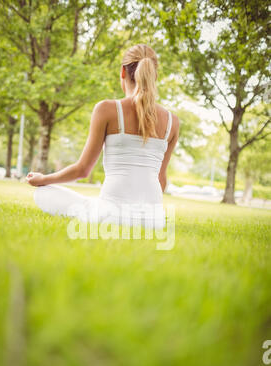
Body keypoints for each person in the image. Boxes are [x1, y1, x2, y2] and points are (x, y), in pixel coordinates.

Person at [26, 43, 180, 229]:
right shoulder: (173, 122)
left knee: (43, 193)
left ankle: (95, 210)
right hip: (154, 220)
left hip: (110, 215)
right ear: (155, 76)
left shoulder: (106, 109)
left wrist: (42, 179)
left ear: (122, 72)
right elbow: (160, 179)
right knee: (93, 203)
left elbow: (82, 170)